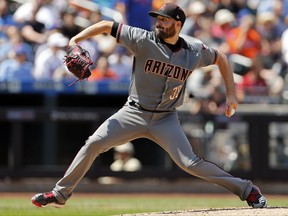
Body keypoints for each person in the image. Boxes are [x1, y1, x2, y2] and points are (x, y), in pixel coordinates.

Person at [31, 3, 267, 209]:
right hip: (133, 112)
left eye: (164, 20)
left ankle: (247, 190)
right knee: (94, 143)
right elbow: (105, 24)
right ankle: (61, 193)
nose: (159, 23)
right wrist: (75, 40)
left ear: (178, 24)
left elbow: (221, 58)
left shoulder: (194, 52)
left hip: (166, 118)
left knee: (190, 163)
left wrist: (231, 94)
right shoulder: (143, 39)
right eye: (158, 19)